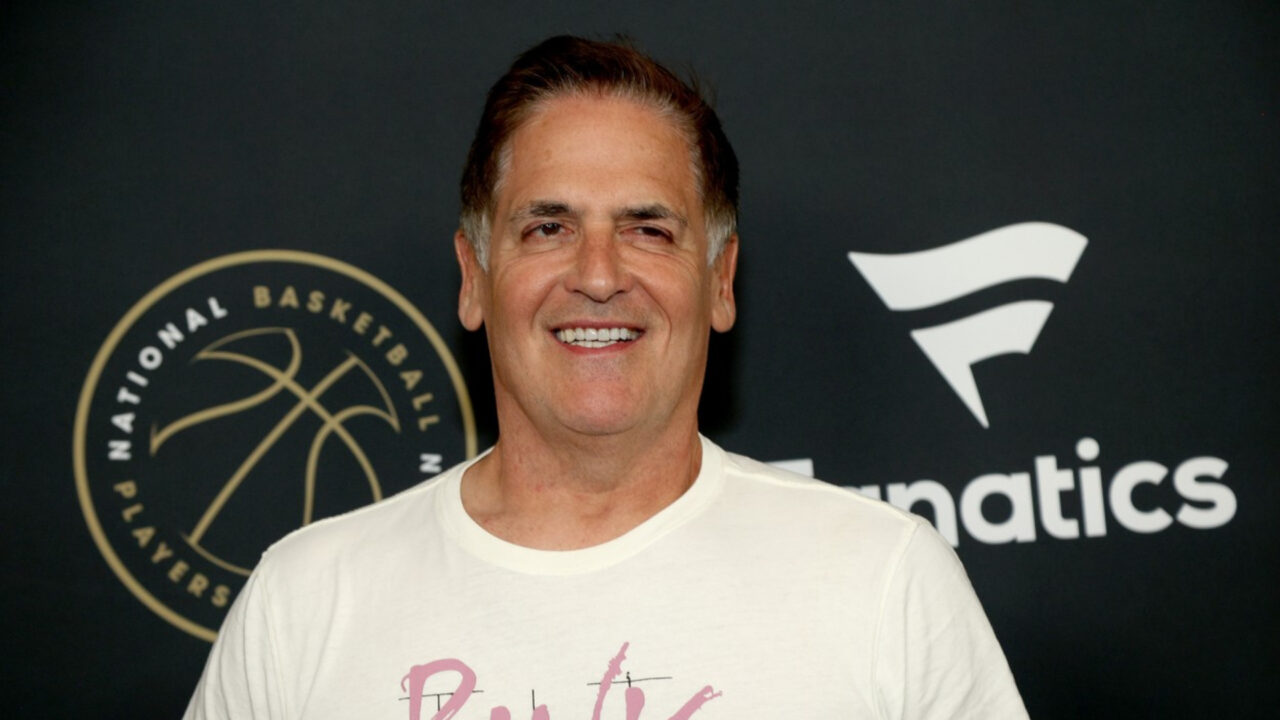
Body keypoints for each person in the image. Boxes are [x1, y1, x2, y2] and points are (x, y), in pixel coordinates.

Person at [185, 35, 1029, 720]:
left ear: (721, 280)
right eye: (548, 227)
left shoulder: (881, 579)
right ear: (474, 278)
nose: (597, 274)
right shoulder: (306, 604)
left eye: (648, 230)